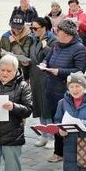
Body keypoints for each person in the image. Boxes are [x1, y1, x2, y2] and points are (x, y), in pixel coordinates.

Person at [40, 19, 86, 161]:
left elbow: (80, 70)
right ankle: (58, 151)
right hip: (51, 88)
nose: (56, 32)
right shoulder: (56, 45)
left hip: (66, 91)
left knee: (66, 122)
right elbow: (47, 59)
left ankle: (69, 152)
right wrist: (43, 64)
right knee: (56, 121)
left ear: (67, 34)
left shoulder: (78, 48)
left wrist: (59, 71)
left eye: (58, 30)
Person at [29, 17, 54, 146]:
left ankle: (52, 137)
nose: (33, 31)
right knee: (39, 106)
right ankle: (44, 134)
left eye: (36, 28)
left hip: (46, 78)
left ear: (44, 27)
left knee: (47, 108)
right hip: (35, 77)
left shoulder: (52, 40)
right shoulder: (34, 39)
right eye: (32, 28)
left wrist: (46, 48)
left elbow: (54, 57)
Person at [0, 13, 35, 78]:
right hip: (6, 70)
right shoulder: (5, 36)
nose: (16, 30)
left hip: (21, 72)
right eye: (13, 28)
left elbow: (24, 57)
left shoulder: (29, 37)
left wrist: (14, 43)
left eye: (19, 28)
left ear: (23, 26)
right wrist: (1, 55)